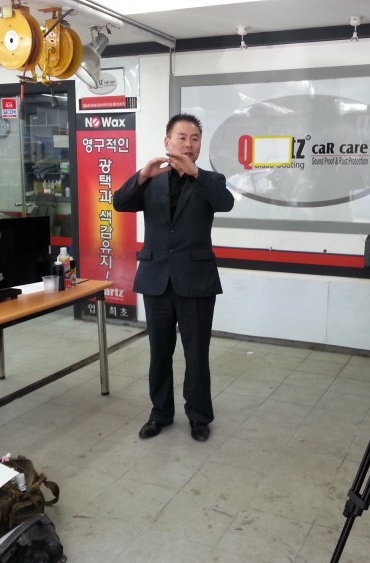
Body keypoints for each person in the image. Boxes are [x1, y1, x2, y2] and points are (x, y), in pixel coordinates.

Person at [113, 113, 235, 442]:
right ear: (167, 141)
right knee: (159, 352)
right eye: (182, 137)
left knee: (196, 353)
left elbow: (225, 203)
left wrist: (197, 174)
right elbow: (120, 203)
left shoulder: (211, 180)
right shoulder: (151, 179)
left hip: (196, 280)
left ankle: (199, 416)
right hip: (156, 279)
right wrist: (141, 175)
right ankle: (160, 413)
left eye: (195, 138)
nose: (188, 144)